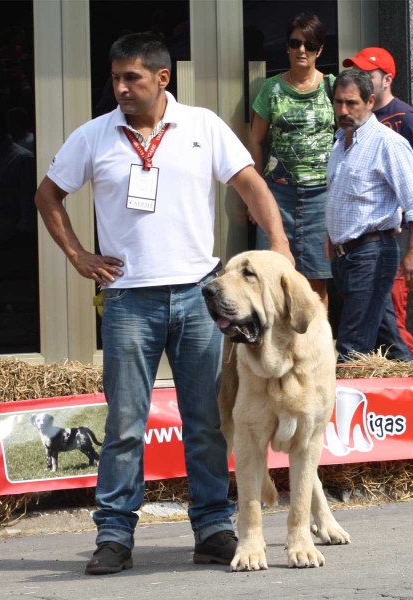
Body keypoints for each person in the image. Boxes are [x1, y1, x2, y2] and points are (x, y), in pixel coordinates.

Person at [34, 33, 292, 576]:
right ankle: (114, 536)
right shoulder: (94, 135)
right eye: (115, 78)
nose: (121, 88)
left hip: (201, 296)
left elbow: (250, 184)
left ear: (162, 79)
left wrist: (280, 244)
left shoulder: (202, 127)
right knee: (126, 424)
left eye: (133, 78)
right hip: (128, 301)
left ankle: (214, 529)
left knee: (204, 419)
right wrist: (78, 254)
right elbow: (47, 193)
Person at [342, 47, 413, 366]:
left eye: (367, 75)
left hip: (392, 237)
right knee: (382, 322)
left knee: (392, 323)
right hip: (359, 245)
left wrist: (398, 205)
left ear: (386, 80)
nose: (360, 80)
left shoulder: (405, 117)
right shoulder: (357, 123)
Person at [249, 13, 334, 307]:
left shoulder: (333, 88)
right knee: (270, 278)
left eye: (310, 45)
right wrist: (255, 195)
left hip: (321, 195)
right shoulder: (271, 89)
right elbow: (256, 141)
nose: (302, 50)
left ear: (320, 50)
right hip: (278, 194)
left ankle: (317, 349)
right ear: (286, 46)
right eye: (295, 43)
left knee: (316, 280)